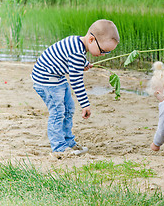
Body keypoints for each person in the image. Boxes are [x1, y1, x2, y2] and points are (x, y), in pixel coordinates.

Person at [31, 19, 119, 159]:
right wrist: (85, 104)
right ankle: (59, 148)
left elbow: (71, 59)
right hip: (46, 80)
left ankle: (68, 141)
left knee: (69, 108)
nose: (103, 55)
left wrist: (85, 63)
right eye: (103, 51)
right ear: (91, 39)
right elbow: (76, 81)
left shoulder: (77, 43)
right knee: (58, 112)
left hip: (56, 78)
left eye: (106, 53)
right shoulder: (77, 52)